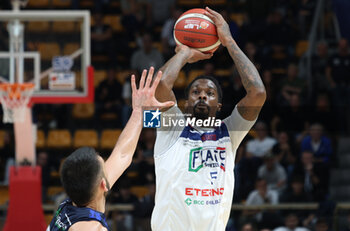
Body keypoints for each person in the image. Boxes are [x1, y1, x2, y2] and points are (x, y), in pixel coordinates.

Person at [152, 7, 266, 231]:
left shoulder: (229, 132)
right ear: (185, 104)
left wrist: (229, 42)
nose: (203, 94)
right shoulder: (170, 126)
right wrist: (184, 53)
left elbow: (258, 93)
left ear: (219, 105)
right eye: (195, 92)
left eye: (210, 93)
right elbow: (161, 86)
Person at [47, 68, 174, 231]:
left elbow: (122, 154)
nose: (108, 166)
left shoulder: (72, 204)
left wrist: (138, 111)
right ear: (103, 184)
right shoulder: (90, 228)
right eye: (104, 167)